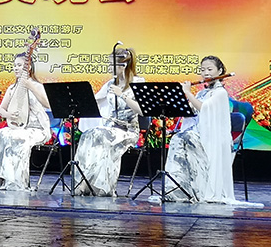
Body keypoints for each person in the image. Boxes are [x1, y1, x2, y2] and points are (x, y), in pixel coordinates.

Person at [163, 56, 258, 205]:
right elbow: (193, 112)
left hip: (214, 139)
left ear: (219, 71)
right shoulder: (202, 93)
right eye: (203, 70)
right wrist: (180, 98)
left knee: (185, 137)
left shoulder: (221, 93)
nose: (206, 73)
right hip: (200, 134)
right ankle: (178, 189)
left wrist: (188, 93)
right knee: (178, 138)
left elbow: (203, 108)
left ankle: (197, 190)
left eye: (209, 69)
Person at [74, 47, 144, 196]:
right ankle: (83, 181)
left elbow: (142, 111)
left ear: (123, 65)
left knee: (100, 135)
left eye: (112, 65)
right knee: (87, 135)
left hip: (128, 130)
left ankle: (99, 187)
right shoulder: (111, 83)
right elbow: (96, 100)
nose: (109, 68)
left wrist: (123, 95)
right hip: (109, 128)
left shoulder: (138, 83)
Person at [0, 52, 51, 190]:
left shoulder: (37, 86)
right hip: (18, 126)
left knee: (18, 137)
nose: (16, 68)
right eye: (15, 65)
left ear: (28, 68)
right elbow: (1, 109)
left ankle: (15, 182)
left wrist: (31, 86)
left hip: (37, 128)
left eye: (19, 65)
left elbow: (48, 104)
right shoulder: (12, 88)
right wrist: (9, 115)